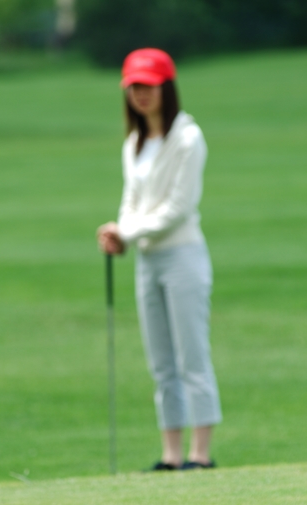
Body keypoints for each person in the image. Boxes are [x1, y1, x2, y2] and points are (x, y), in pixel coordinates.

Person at [97, 48, 222, 471]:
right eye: (134, 86)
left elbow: (178, 208)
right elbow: (131, 201)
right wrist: (118, 232)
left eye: (148, 85)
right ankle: (171, 455)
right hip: (148, 261)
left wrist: (127, 231)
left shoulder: (188, 137)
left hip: (183, 256)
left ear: (166, 87)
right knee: (160, 361)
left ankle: (199, 454)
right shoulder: (134, 142)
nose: (141, 94)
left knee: (192, 355)